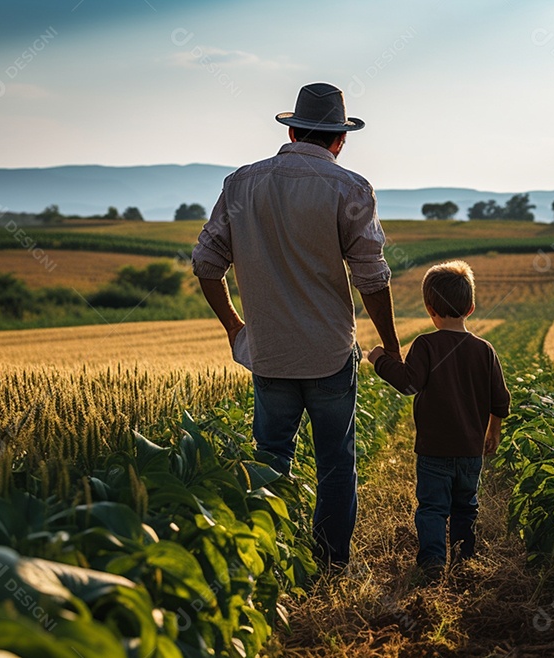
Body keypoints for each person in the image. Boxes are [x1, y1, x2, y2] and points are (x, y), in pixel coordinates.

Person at [192, 82, 401, 568]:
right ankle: (330, 563)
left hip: (269, 353)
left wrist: (234, 326)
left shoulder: (241, 183)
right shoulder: (350, 188)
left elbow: (206, 262)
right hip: (329, 353)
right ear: (339, 139)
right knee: (334, 464)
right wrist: (391, 346)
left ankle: (266, 560)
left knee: (269, 462)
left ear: (291, 131)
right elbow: (371, 276)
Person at [367, 260, 510, 578]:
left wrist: (378, 359)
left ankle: (432, 562)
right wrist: (494, 432)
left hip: (434, 451)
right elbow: (501, 399)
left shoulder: (425, 345)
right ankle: (464, 559)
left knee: (432, 507)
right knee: (466, 505)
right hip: (471, 450)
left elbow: (408, 384)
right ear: (471, 307)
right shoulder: (484, 350)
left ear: (428, 307)